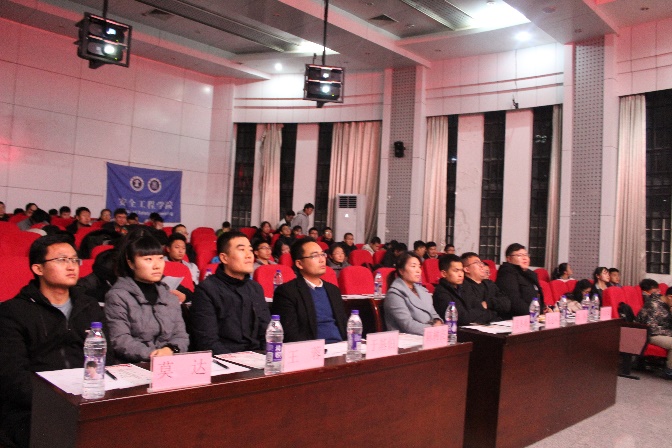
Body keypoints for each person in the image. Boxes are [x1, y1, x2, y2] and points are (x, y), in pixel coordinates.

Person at [0, 235, 104, 448]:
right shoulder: (12, 312)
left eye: (74, 260)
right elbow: (13, 377)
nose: (71, 266)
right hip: (34, 408)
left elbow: (105, 358)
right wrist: (62, 402)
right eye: (62, 260)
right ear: (38, 268)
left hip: (88, 400)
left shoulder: (89, 306)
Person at [105, 231, 189, 363]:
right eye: (148, 259)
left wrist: (171, 349)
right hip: (135, 365)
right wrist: (153, 355)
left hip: (169, 362)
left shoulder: (169, 296)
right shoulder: (117, 296)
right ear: (131, 263)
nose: (157, 265)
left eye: (160, 258)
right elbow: (120, 339)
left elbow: (181, 335)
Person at [190, 231, 271, 354]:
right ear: (224, 258)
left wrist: (267, 356)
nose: (249, 255)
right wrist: (236, 360)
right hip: (224, 359)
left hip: (257, 357)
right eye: (242, 250)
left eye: (250, 250)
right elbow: (207, 342)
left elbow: (266, 332)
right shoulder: (206, 290)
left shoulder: (255, 288)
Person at [272, 238, 346, 343]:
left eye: (322, 254)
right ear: (299, 264)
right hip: (312, 349)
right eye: (315, 256)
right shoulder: (287, 292)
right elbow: (291, 335)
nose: (322, 260)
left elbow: (344, 326)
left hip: (340, 347)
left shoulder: (333, 290)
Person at [384, 251, 442, 335]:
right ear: (401, 271)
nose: (418, 270)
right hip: (407, 338)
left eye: (419, 266)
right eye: (413, 266)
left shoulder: (423, 291)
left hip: (428, 334)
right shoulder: (394, 294)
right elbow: (408, 325)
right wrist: (433, 329)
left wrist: (438, 322)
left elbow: (433, 314)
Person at [443, 252, 509, 323]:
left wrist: (488, 304)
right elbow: (472, 313)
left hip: (497, 323)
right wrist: (494, 312)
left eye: (481, 263)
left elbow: (507, 304)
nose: (481, 266)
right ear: (467, 269)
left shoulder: (489, 284)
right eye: (477, 263)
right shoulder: (463, 287)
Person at [496, 243, 547, 317]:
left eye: (526, 255)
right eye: (519, 255)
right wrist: (533, 315)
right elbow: (514, 301)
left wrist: (543, 309)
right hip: (516, 318)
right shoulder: (507, 273)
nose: (524, 258)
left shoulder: (530, 274)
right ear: (509, 259)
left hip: (533, 316)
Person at [636, 288, 672, 380]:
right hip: (649, 334)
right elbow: (651, 328)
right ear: (670, 297)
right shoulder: (653, 305)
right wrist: (670, 333)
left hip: (662, 333)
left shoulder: (666, 305)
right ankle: (669, 371)